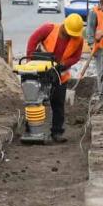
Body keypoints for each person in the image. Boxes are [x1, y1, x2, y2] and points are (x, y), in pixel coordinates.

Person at [26, 14, 85, 143]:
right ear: (64, 25)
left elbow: (76, 56)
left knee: (58, 103)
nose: (71, 36)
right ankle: (30, 130)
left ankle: (57, 132)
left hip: (60, 74)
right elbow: (33, 40)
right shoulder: (49, 29)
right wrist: (30, 60)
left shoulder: (78, 39)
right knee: (35, 101)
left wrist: (65, 63)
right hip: (42, 70)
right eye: (69, 33)